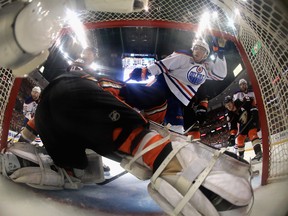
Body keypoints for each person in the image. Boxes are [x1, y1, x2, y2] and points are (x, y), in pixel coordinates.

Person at [1, 70, 253, 215]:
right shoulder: (95, 81)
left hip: (46, 117)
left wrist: (21, 142)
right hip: (76, 94)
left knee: (74, 172)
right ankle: (202, 187)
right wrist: (144, 122)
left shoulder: (45, 98)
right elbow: (156, 98)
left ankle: (37, 163)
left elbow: (33, 124)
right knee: (137, 139)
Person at [127, 37, 227, 139]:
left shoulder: (206, 68)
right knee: (143, 103)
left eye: (201, 49)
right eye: (196, 48)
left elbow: (221, 75)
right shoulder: (184, 57)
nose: (198, 51)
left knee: (177, 129)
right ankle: (124, 103)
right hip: (164, 85)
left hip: (177, 99)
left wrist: (220, 52)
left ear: (206, 55)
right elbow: (164, 64)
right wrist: (145, 72)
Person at [224, 95, 262, 162]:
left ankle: (259, 153)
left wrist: (254, 109)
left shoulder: (240, 101)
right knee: (240, 138)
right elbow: (233, 126)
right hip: (243, 124)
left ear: (232, 102)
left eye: (229, 104)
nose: (228, 107)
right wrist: (232, 135)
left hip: (252, 118)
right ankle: (241, 158)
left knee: (252, 133)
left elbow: (251, 100)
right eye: (226, 106)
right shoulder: (230, 114)